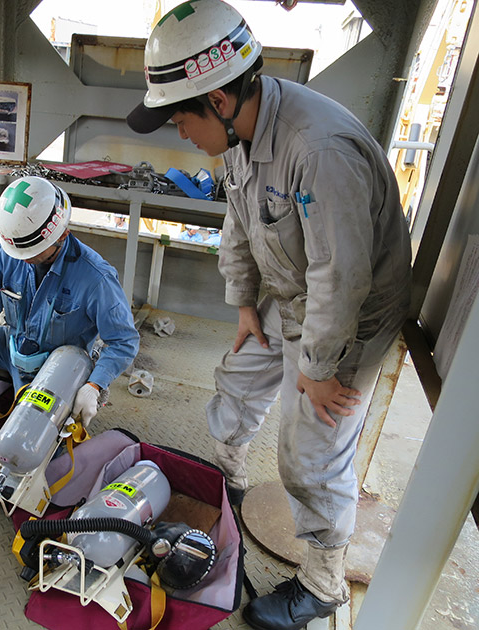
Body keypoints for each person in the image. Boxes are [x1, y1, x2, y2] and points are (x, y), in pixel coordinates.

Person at [127, 2, 411, 629]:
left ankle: (322, 583)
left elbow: (343, 279)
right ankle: (226, 486)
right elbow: (240, 222)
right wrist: (245, 302)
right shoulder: (242, 136)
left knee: (310, 452)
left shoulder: (319, 151)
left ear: (221, 101)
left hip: (350, 317)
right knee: (235, 384)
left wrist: (319, 365)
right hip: (291, 286)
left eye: (179, 114)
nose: (177, 128)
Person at [0, 176, 139, 427]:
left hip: (57, 367)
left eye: (32, 253)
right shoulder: (9, 252)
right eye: (19, 252)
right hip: (13, 346)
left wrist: (94, 384)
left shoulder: (96, 278)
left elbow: (124, 341)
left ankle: (38, 394)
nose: (23, 259)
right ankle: (1, 377)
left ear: (62, 235)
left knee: (28, 438)